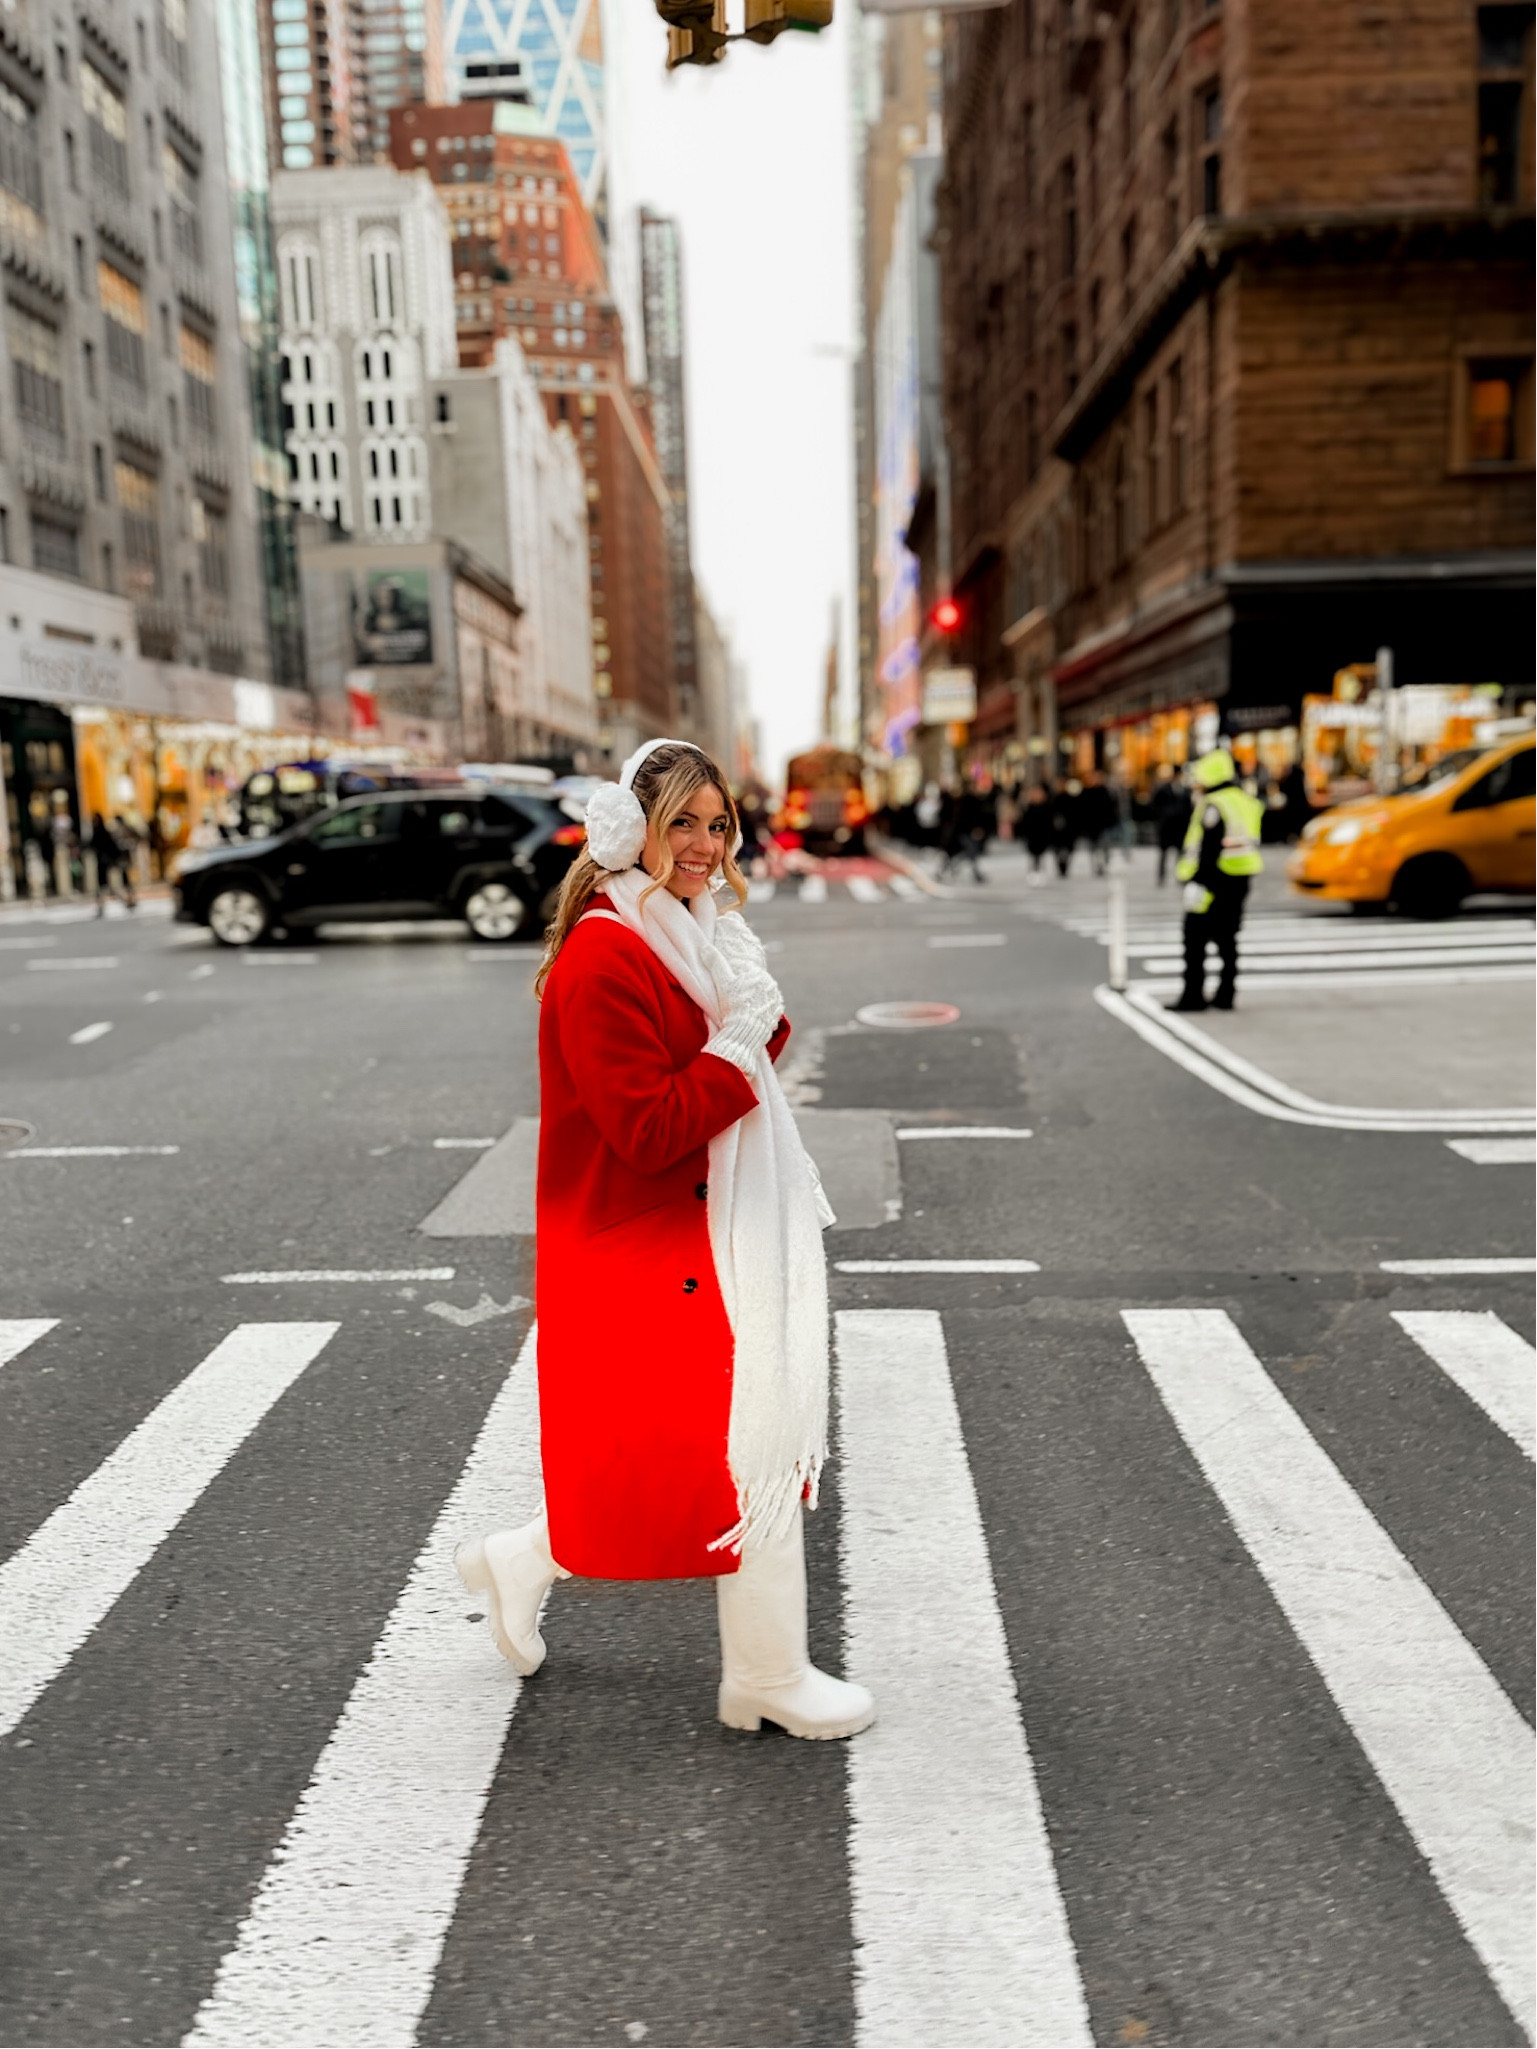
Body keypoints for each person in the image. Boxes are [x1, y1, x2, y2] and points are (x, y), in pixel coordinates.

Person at [456, 738, 874, 1742]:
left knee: (676, 1453)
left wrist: (749, 1030)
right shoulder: (605, 956)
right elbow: (647, 1128)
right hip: (643, 1241)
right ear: (629, 831)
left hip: (689, 1228)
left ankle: (526, 1558)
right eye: (679, 822)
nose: (702, 844)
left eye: (717, 823)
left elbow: (747, 1037)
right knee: (746, 1446)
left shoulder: (694, 929)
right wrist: (741, 1046)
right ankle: (766, 1677)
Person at [1168, 749, 1265, 1012]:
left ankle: (1193, 996)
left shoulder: (1213, 803)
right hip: (1240, 877)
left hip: (1212, 880)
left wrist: (1197, 882)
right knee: (1228, 937)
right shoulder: (1245, 800)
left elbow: (1209, 847)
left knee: (1194, 940)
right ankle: (1226, 994)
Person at [1150, 766, 1193, 884]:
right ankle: (1161, 876)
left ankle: (1180, 875)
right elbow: (1155, 806)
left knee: (1180, 854)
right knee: (1164, 854)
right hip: (1167, 827)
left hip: (1180, 827)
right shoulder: (1164, 789)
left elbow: (1189, 809)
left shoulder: (1185, 790)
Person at [89, 812, 136, 915]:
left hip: (108, 864)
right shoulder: (102, 832)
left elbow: (110, 848)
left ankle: (126, 901)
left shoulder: (103, 833)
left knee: (109, 886)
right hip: (106, 864)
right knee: (105, 887)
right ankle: (123, 902)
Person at [1019, 783, 1054, 880]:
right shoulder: (1029, 808)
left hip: (1042, 835)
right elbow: (1024, 823)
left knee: (1040, 856)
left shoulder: (1046, 807)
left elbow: (1049, 822)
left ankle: (1040, 872)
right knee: (1033, 856)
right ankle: (1033, 872)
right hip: (1032, 836)